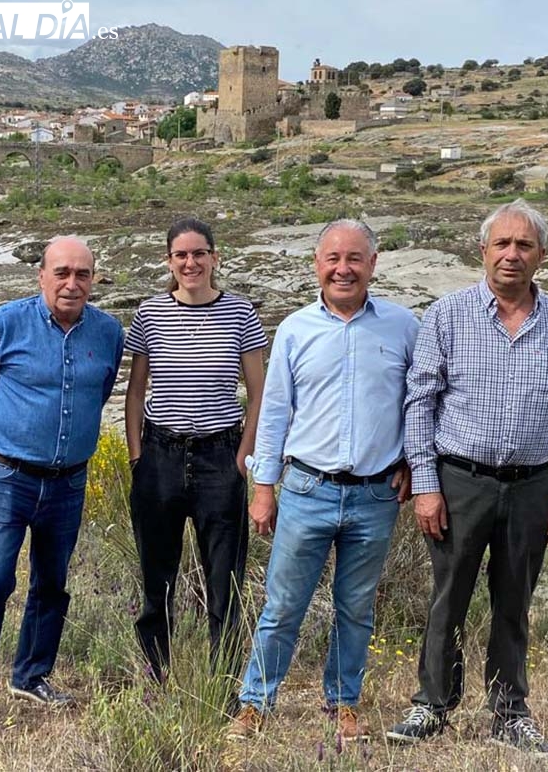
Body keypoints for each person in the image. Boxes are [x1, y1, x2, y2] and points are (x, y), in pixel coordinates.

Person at [386, 199, 548, 757]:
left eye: (524, 245)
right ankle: (432, 705)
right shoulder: (448, 315)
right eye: (501, 244)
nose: (511, 254)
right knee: (447, 597)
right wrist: (425, 484)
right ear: (482, 251)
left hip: (531, 486)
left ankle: (509, 712)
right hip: (460, 483)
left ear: (541, 256)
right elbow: (420, 402)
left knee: (513, 602)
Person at [229, 219, 419, 742]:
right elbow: (273, 413)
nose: (344, 268)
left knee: (356, 609)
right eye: (333, 258)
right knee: (282, 605)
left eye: (355, 258)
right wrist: (263, 486)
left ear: (373, 264)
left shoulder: (404, 328)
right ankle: (255, 704)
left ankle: (343, 704)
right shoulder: (294, 329)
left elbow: (418, 407)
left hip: (376, 494)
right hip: (305, 490)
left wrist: (413, 464)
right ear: (317, 264)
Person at [0, 237, 124, 725]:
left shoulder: (108, 332)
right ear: (40, 275)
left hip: (68, 482)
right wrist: (3, 441)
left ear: (93, 279)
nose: (72, 283)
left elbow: (100, 391)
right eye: (62, 272)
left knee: (53, 582)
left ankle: (31, 676)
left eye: (82, 274)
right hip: (7, 476)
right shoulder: (5, 323)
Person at [125, 217, 267, 686]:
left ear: (214, 257)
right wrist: (136, 457)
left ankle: (224, 683)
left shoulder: (242, 313)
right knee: (156, 579)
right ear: (169, 261)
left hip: (219, 459)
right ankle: (156, 678)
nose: (191, 262)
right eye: (181, 255)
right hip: (160, 457)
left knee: (225, 582)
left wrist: (243, 458)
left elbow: (258, 392)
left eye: (199, 253)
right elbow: (135, 390)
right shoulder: (148, 313)